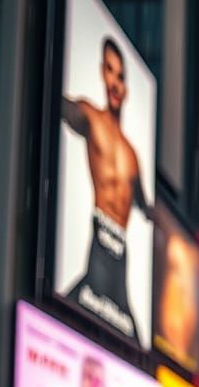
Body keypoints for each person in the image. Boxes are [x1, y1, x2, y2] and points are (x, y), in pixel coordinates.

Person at [61, 36, 155, 345]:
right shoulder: (91, 116)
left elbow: (143, 203)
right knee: (71, 313)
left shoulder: (132, 154)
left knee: (136, 343)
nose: (115, 83)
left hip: (122, 252)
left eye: (121, 77)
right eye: (110, 72)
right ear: (103, 73)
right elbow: (63, 107)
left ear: (127, 87)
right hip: (101, 241)